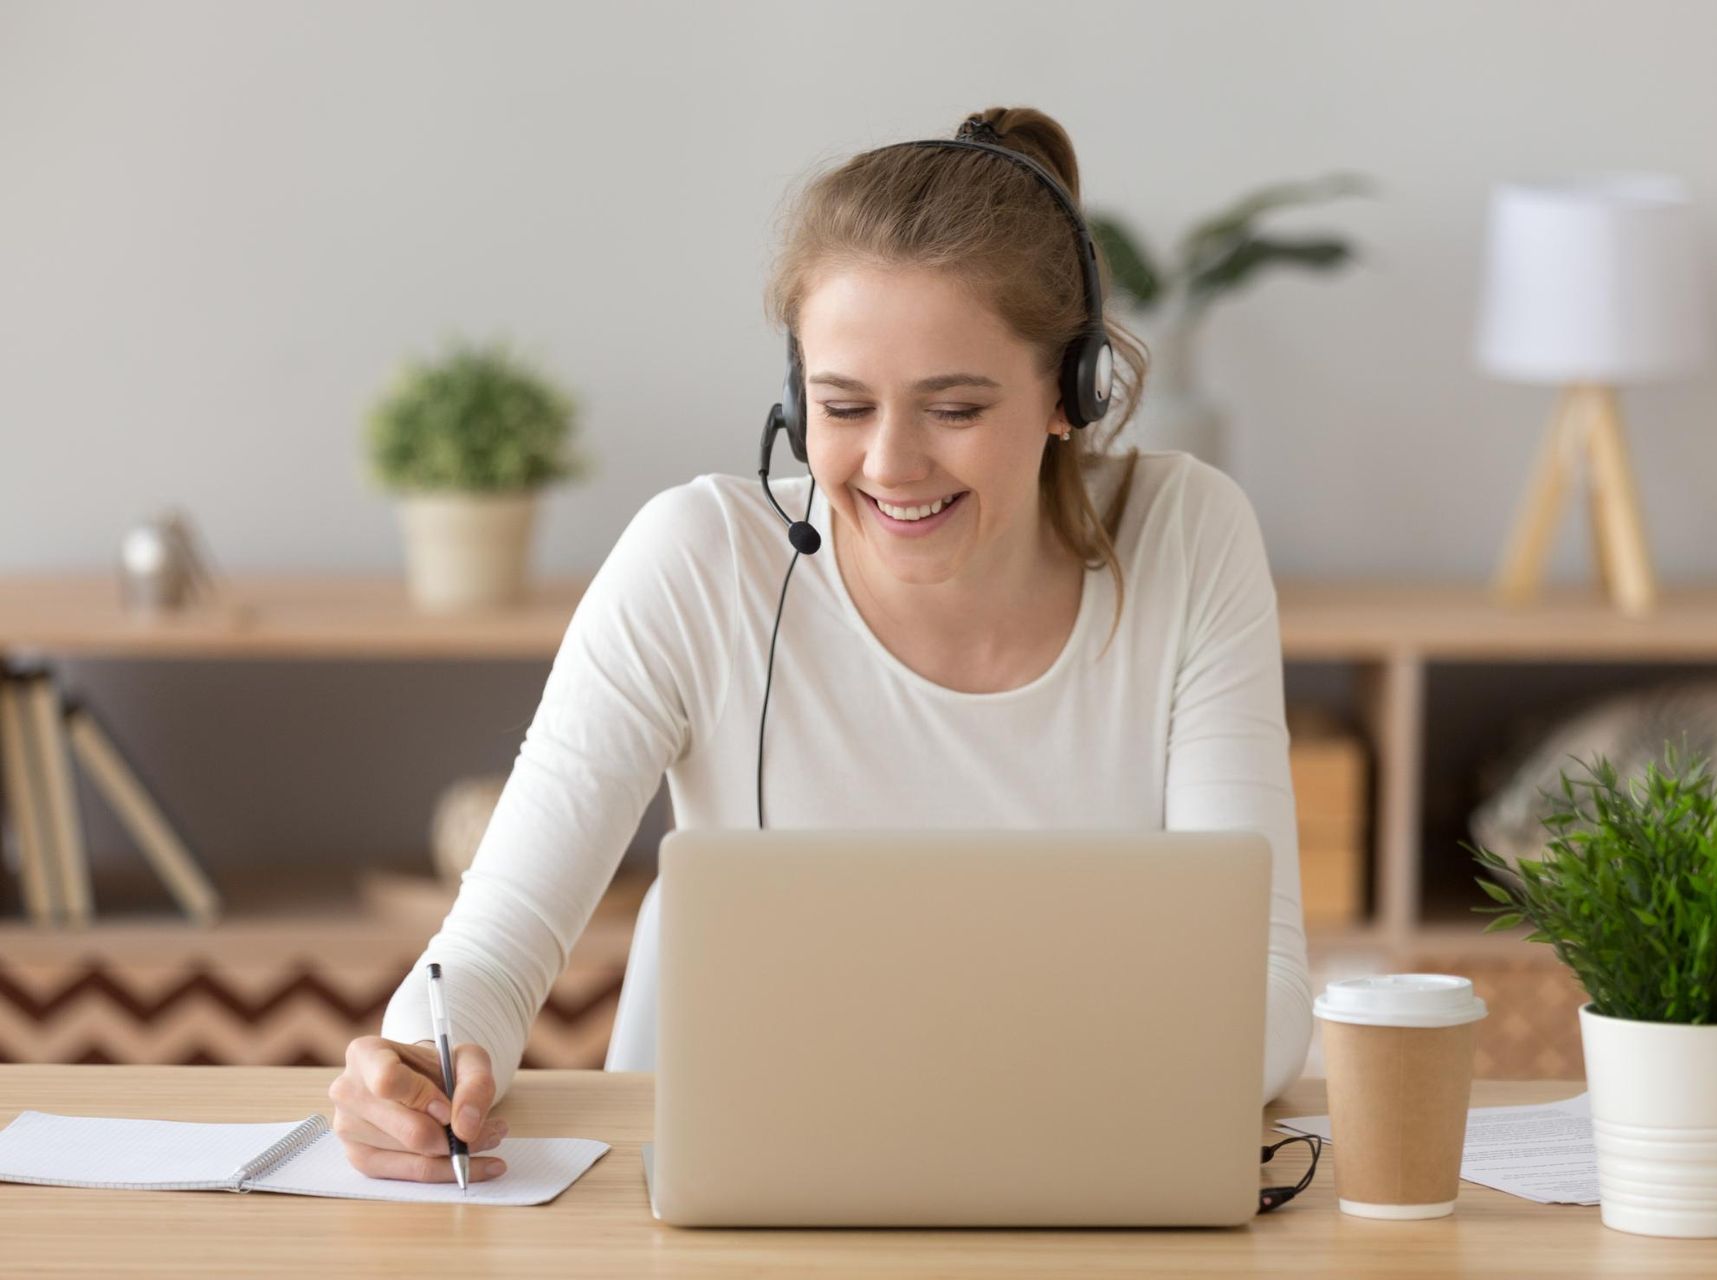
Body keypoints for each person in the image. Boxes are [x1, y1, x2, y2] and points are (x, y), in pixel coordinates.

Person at [328, 105, 1311, 1184]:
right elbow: (493, 940)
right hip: (746, 1198)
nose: (892, 464)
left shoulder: (1186, 539)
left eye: (956, 407)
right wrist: (424, 1055)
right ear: (796, 398)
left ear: (1072, 391)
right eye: (844, 405)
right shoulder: (698, 559)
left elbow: (1259, 1002)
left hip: (1065, 1182)